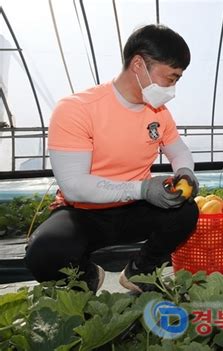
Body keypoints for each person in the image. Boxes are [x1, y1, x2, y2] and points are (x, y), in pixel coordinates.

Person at [24, 24, 200, 293]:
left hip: (135, 208)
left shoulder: (159, 112)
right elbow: (74, 185)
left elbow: (178, 151)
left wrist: (185, 172)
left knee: (185, 211)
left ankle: (141, 271)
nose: (173, 88)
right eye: (171, 78)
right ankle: (89, 276)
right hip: (83, 213)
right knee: (45, 252)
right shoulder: (77, 109)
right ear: (139, 65)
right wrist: (142, 188)